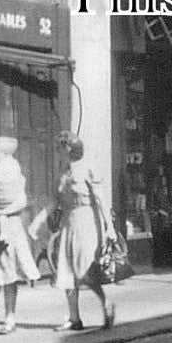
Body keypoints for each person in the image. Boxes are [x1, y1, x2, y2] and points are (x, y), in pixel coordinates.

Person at [51, 140, 116, 331]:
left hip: (87, 223)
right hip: (68, 223)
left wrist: (109, 228)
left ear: (68, 149)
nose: (56, 151)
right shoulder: (63, 171)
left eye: (59, 148)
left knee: (86, 272)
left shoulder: (88, 168)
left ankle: (107, 304)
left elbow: (101, 200)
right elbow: (56, 199)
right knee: (66, 271)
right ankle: (74, 318)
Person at [0, 136, 41, 335]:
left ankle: (10, 316)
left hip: (9, 225)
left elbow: (20, 200)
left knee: (9, 272)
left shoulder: (11, 170)